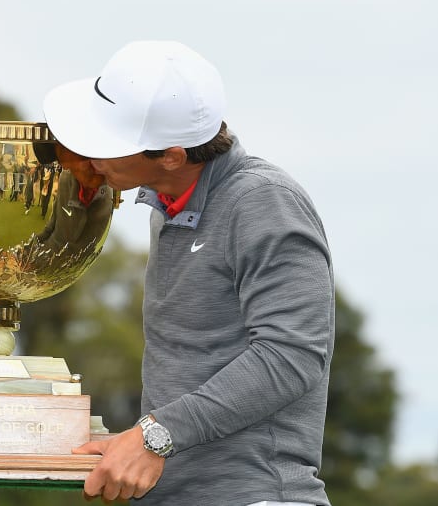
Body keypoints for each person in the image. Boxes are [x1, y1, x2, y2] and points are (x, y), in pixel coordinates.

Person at [43, 40, 334, 505]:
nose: (89, 153)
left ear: (173, 157)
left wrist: (155, 435)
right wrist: (133, 440)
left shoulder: (263, 200)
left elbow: (292, 354)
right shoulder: (166, 206)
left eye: (107, 143)